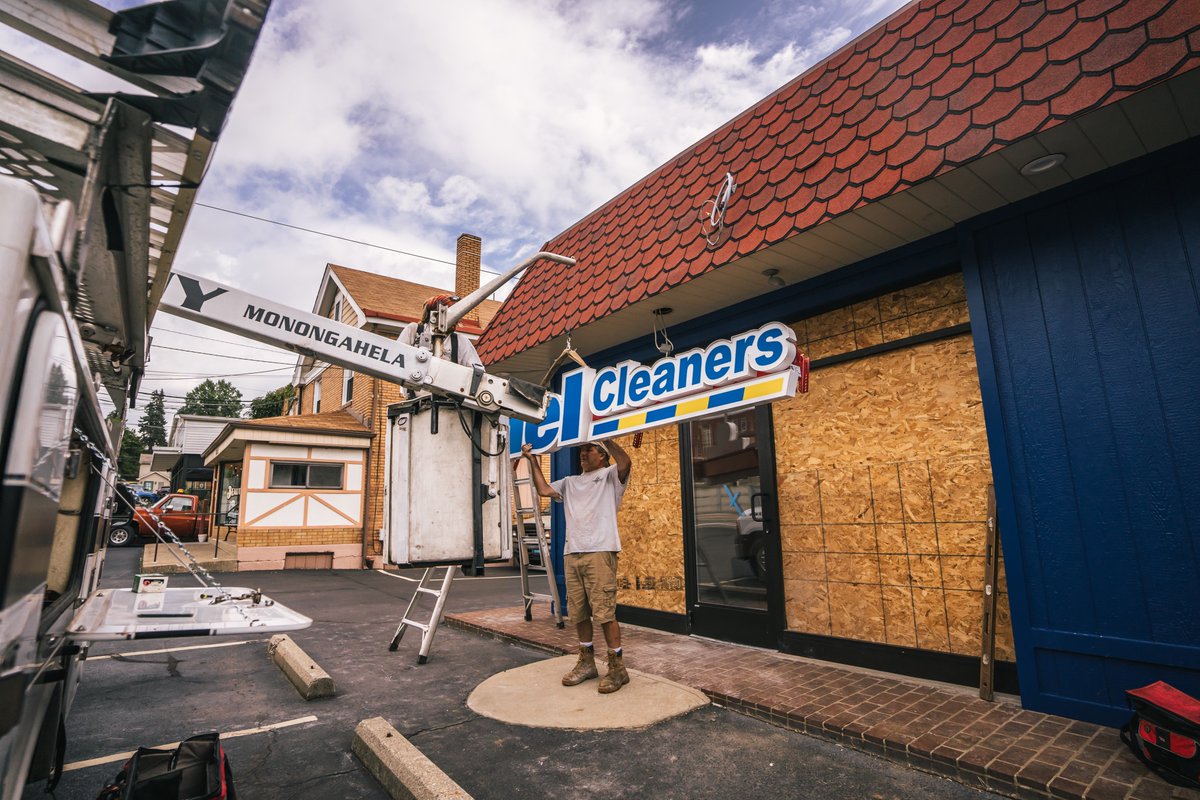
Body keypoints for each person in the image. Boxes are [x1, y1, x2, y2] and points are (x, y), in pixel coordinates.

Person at [521, 439, 632, 693]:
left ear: (602, 455)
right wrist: (532, 460)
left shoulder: (609, 476)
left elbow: (626, 462)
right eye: (582, 450)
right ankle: (587, 663)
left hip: (600, 551)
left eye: (588, 449)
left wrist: (604, 436)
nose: (582, 453)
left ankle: (617, 668)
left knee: (605, 613)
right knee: (578, 613)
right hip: (572, 553)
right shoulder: (570, 482)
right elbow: (544, 490)